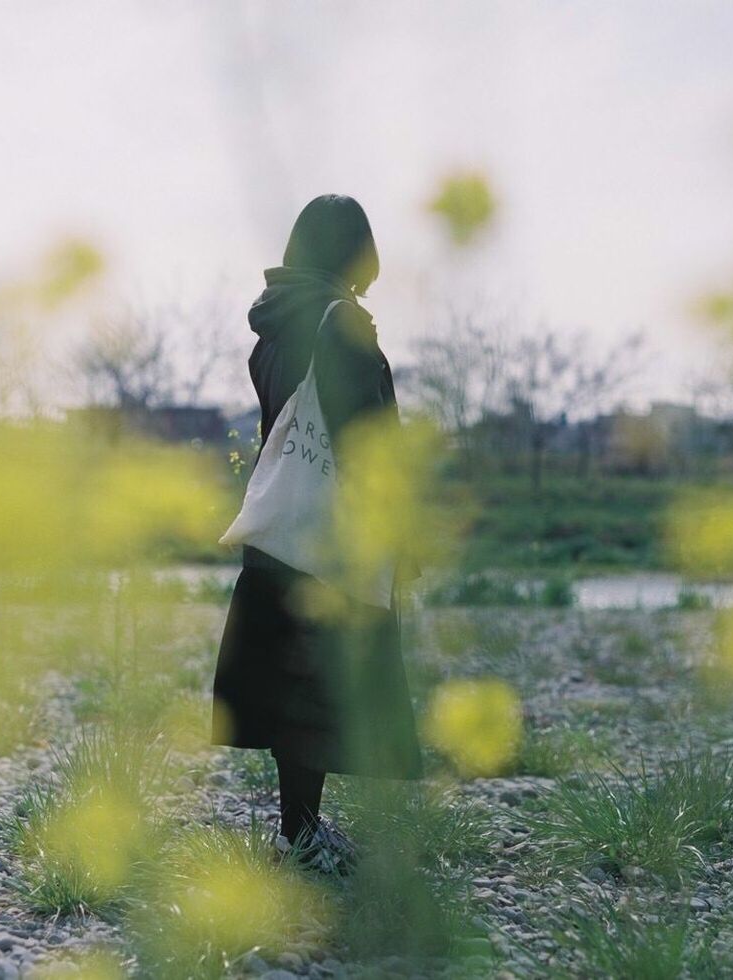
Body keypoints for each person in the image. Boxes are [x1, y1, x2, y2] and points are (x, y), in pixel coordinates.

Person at [211, 194, 423, 874]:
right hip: (331, 535)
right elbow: (366, 444)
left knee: (290, 685)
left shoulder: (273, 330)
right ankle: (300, 838)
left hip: (280, 528)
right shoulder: (342, 325)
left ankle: (296, 832)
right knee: (322, 685)